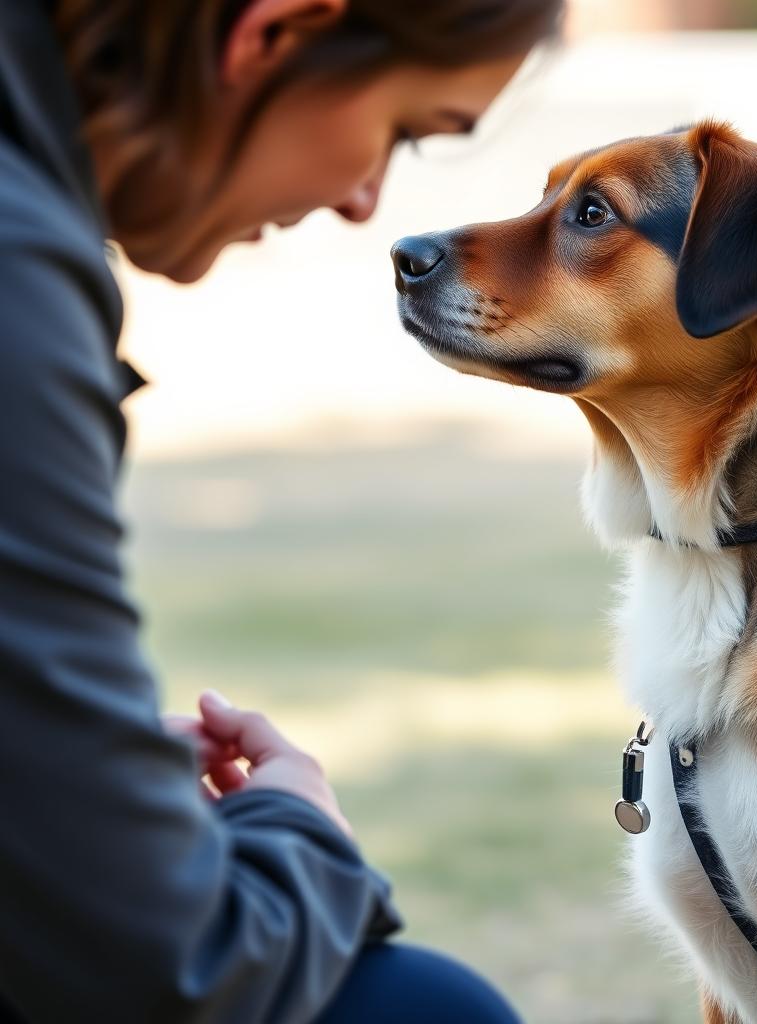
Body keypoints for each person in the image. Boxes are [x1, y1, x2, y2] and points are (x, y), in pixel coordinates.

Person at [0, 0, 562, 1020]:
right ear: (277, 32)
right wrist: (296, 827)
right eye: (400, 130)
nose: (364, 201)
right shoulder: (15, 270)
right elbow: (165, 965)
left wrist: (76, 770)